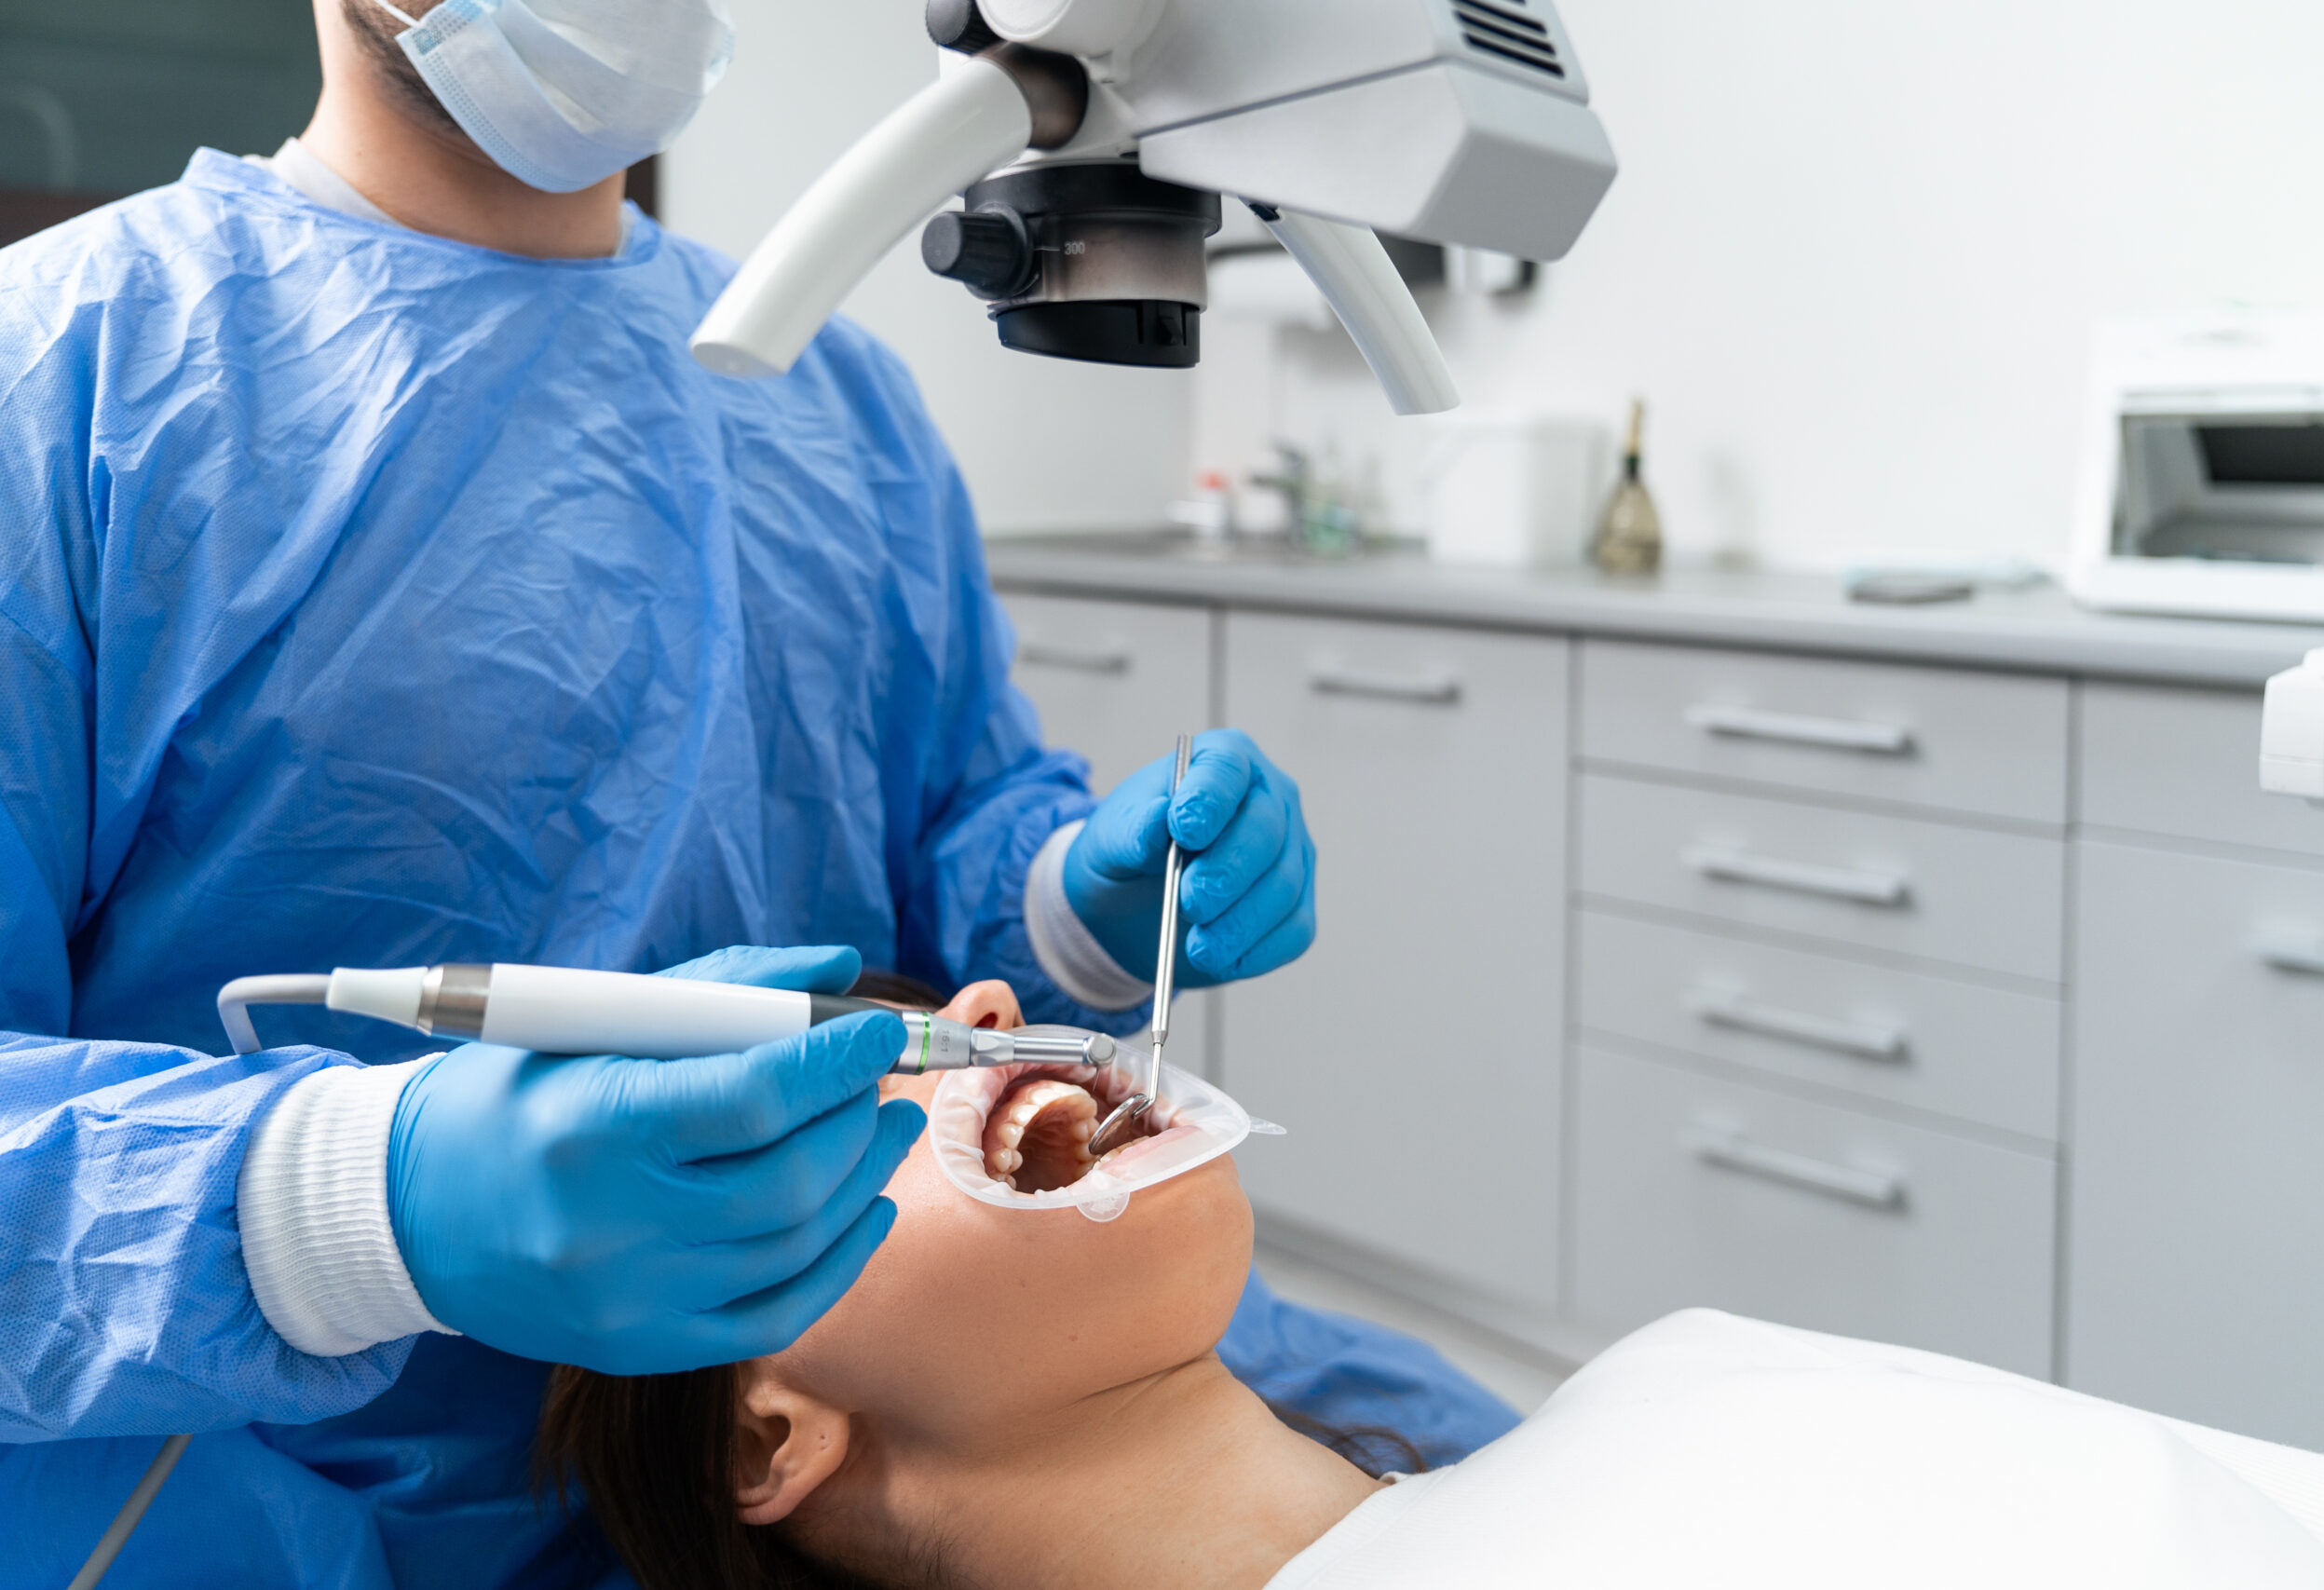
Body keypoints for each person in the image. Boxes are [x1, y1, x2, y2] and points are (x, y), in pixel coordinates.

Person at [0, 1, 1514, 1583]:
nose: (988, 1015)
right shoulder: (66, 379)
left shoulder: (830, 397)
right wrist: (348, 1207)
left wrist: (1073, 901)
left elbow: (949, 846)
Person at [546, 1009, 2324, 1590]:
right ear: (766, 1430)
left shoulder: (1676, 1371)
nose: (978, 1019)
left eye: (944, 999)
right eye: (809, 1109)